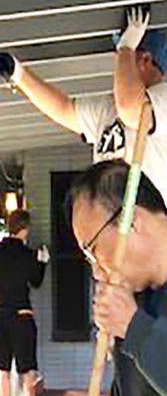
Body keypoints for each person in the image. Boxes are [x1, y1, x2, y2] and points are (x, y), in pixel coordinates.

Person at [0, 5, 167, 202]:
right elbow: (65, 109)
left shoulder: (163, 98)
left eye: (121, 57)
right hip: (114, 220)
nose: (116, 63)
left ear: (145, 59)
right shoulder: (109, 106)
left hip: (144, 224)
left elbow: (132, 110)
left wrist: (126, 48)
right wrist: (19, 74)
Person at [66, 160, 167, 395]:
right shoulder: (137, 299)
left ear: (132, 221)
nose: (97, 271)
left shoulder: (133, 318)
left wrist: (135, 329)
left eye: (93, 249)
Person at [0, 210, 50, 396]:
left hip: (0, 314)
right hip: (22, 314)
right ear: (25, 229)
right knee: (27, 369)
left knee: (3, 369)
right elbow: (36, 282)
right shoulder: (28, 254)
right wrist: (42, 262)